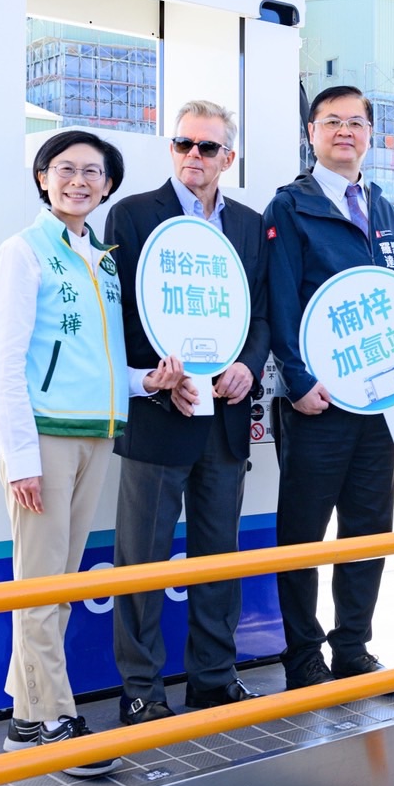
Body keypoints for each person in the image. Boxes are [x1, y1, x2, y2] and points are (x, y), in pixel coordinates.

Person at [0, 129, 183, 776]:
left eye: (92, 172)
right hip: (45, 437)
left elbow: (95, 360)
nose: (78, 181)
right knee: (42, 586)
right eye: (65, 169)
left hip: (96, 432)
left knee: (59, 586)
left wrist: (146, 381)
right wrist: (20, 457)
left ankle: (26, 720)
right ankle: (56, 720)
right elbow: (5, 362)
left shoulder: (99, 258)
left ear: (107, 186)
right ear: (42, 177)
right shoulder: (24, 252)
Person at [265, 85, 394, 690]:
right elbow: (280, 298)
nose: (345, 131)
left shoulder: (381, 206)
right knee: (304, 534)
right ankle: (302, 656)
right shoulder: (290, 207)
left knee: (369, 529)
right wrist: (297, 380)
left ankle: (352, 646)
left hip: (378, 402)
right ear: (311, 133)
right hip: (318, 403)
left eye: (356, 122)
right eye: (332, 121)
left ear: (370, 134)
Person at [105, 99, 272, 725]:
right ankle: (141, 690)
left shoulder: (249, 224)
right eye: (183, 144)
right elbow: (121, 311)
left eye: (207, 147)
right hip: (158, 414)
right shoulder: (132, 214)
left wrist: (248, 365)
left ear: (229, 157)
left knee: (218, 558)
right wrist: (157, 378)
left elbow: (259, 314)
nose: (193, 156)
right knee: (141, 562)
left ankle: (214, 680)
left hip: (225, 418)